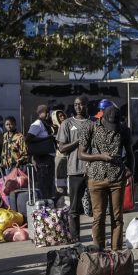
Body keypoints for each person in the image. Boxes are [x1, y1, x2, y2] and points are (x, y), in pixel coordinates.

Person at [79, 105, 132, 250]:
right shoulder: (90, 127)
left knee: (117, 217)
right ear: (102, 117)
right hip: (96, 178)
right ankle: (99, 252)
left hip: (117, 177)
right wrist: (100, 156)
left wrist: (131, 171)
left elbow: (130, 152)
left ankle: (116, 253)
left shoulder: (124, 130)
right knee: (98, 217)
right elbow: (81, 154)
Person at [56, 98, 91, 236]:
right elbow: (62, 148)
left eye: (81, 103)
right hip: (75, 170)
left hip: (93, 171)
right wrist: (78, 141)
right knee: (74, 207)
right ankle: (75, 239)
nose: (78, 106)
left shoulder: (93, 123)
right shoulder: (67, 123)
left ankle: (98, 240)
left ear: (86, 105)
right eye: (76, 104)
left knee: (96, 207)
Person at [26, 105, 56, 200]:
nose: (48, 114)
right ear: (40, 113)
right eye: (46, 112)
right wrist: (47, 138)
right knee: (43, 183)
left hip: (48, 158)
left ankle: (49, 203)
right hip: (42, 159)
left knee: (48, 183)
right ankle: (45, 205)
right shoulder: (37, 123)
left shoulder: (45, 123)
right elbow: (28, 138)